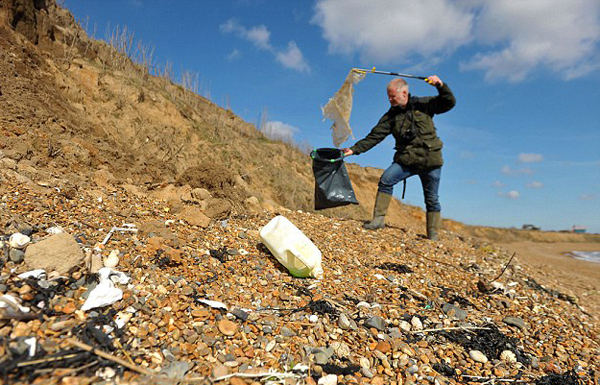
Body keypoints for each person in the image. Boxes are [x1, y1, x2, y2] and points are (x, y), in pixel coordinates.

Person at [342, 75, 456, 240]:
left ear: (404, 93)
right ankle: (378, 221)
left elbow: (449, 102)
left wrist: (440, 85)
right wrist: (353, 150)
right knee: (386, 180)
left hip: (431, 161)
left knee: (432, 199)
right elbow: (374, 137)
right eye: (388, 96)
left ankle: (433, 235)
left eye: (392, 96)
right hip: (406, 161)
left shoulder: (424, 104)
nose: (390, 99)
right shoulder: (390, 116)